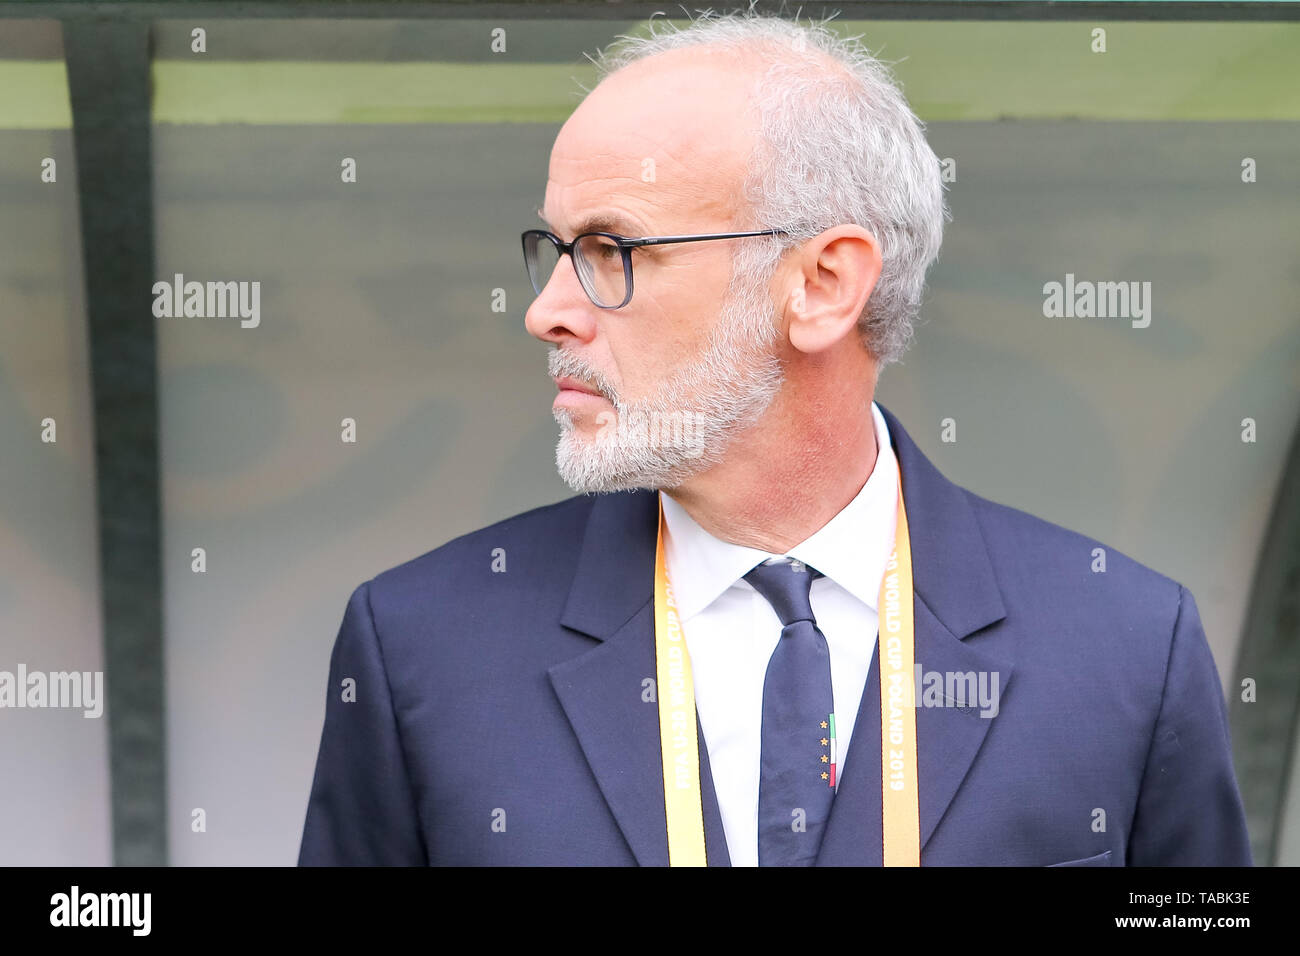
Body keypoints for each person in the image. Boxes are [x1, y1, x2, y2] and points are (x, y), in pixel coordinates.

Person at [297, 9, 1252, 866]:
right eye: (553, 252)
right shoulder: (422, 646)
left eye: (611, 251)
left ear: (825, 284)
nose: (546, 310)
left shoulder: (1128, 646)